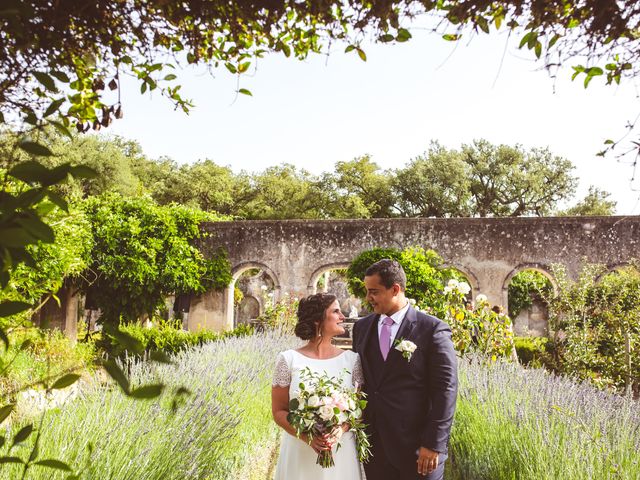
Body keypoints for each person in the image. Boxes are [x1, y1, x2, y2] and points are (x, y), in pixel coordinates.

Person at [352, 259, 458, 480]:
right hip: (375, 447)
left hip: (419, 449)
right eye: (367, 291)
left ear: (395, 289)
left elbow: (445, 390)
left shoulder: (432, 329)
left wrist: (433, 443)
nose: (368, 298)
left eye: (374, 292)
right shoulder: (361, 328)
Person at [272, 293, 364, 480]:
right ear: (317, 320)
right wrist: (308, 438)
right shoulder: (288, 359)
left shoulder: (352, 360)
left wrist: (342, 429)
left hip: (340, 451)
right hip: (300, 451)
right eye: (336, 311)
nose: (343, 317)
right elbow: (279, 411)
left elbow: (359, 409)